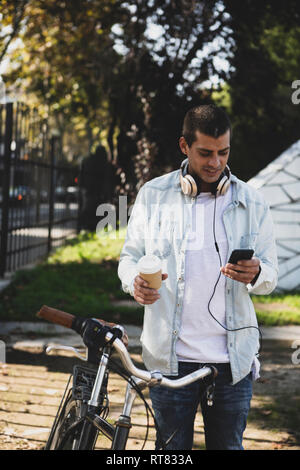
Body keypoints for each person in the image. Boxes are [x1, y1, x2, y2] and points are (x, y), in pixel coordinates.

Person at [117, 104, 278, 450]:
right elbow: (128, 258)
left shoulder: (253, 202)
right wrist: (135, 282)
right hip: (170, 361)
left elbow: (271, 274)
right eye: (205, 153)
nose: (215, 162)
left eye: (223, 152)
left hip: (232, 364)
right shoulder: (153, 196)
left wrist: (257, 272)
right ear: (184, 146)